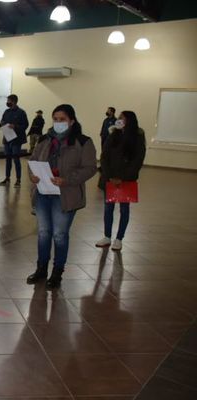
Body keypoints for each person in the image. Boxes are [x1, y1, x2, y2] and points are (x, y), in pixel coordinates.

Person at [27, 104, 97, 289]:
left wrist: (67, 180)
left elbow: (90, 168)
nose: (58, 123)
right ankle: (41, 269)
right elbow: (33, 160)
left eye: (62, 119)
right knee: (43, 233)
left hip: (66, 194)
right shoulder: (44, 139)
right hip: (43, 192)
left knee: (59, 235)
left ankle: (57, 272)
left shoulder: (83, 142)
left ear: (71, 121)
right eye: (55, 119)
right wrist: (32, 174)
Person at [96, 111, 146, 251]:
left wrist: (122, 177)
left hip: (126, 179)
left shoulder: (137, 137)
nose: (119, 120)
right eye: (119, 118)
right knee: (108, 208)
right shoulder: (113, 135)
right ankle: (107, 236)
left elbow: (138, 160)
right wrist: (109, 175)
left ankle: (119, 238)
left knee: (124, 209)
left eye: (122, 119)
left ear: (130, 121)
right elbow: (104, 156)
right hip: (110, 178)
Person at [0, 94, 29, 187]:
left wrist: (15, 126)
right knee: (8, 159)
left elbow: (25, 125)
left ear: (14, 101)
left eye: (9, 100)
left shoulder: (21, 112)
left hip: (16, 139)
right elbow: (2, 121)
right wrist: (1, 124)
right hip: (7, 138)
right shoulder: (6, 111)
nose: (7, 102)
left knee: (16, 159)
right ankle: (7, 178)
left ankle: (18, 180)